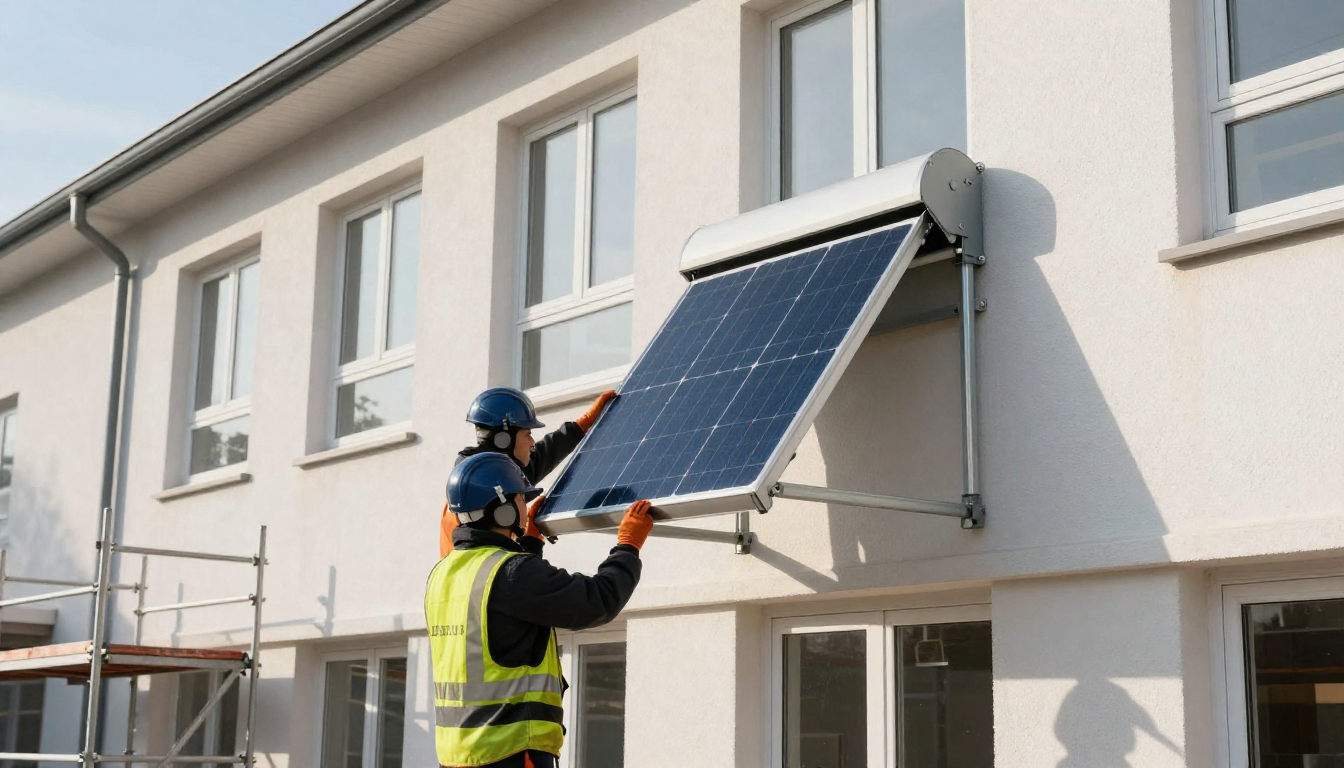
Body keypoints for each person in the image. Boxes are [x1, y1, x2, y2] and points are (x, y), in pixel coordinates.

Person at [425, 452, 653, 768]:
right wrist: (628, 546)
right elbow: (597, 601)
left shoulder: (442, 573)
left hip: (459, 756)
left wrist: (530, 544)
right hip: (511, 751)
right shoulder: (511, 572)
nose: (525, 505)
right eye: (520, 498)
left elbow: (509, 610)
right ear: (502, 508)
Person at [440, 387, 616, 557]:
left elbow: (541, 457)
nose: (532, 443)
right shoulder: (480, 499)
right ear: (504, 439)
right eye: (528, 433)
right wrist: (531, 542)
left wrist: (578, 428)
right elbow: (507, 571)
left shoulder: (480, 485)